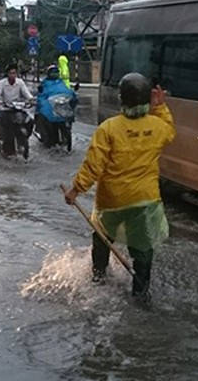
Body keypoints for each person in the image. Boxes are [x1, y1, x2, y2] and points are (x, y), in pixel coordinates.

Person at [63, 73, 175, 304]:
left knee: (102, 237)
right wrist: (160, 106)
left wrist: (76, 190)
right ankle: (140, 293)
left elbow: (93, 165)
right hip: (145, 201)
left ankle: (98, 279)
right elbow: (170, 130)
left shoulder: (109, 128)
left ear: (121, 98)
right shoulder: (158, 127)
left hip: (112, 200)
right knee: (143, 247)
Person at [0, 63, 33, 145]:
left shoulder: (20, 82)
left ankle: (25, 138)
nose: (12, 75)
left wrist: (31, 99)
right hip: (6, 109)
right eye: (11, 73)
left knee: (30, 121)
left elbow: (26, 93)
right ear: (7, 74)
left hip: (18, 109)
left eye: (14, 73)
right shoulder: (2, 83)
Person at [35, 65, 77, 146]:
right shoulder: (45, 84)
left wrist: (73, 96)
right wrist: (43, 103)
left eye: (56, 72)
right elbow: (42, 96)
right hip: (51, 109)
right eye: (52, 72)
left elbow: (67, 91)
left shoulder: (61, 82)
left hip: (61, 107)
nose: (54, 74)